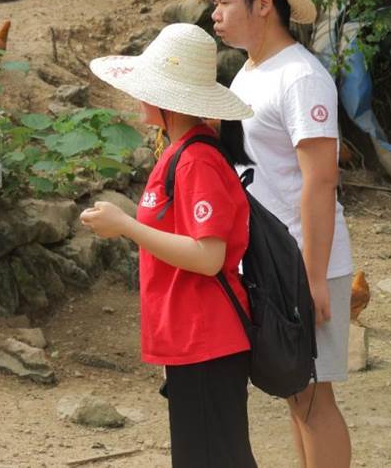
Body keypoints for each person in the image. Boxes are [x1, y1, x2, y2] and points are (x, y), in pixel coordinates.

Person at [197, 0, 354, 468]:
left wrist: (313, 278)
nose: (215, 14)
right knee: (295, 391)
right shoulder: (249, 71)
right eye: (215, 3)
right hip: (271, 260)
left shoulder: (301, 77)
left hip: (304, 261)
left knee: (313, 397)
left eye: (224, 2)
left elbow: (321, 182)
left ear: (263, 2)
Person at [81, 23, 258, 468]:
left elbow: (209, 256)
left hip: (206, 335)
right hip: (191, 334)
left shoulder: (196, 159)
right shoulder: (182, 150)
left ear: (167, 101)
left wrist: (126, 225)